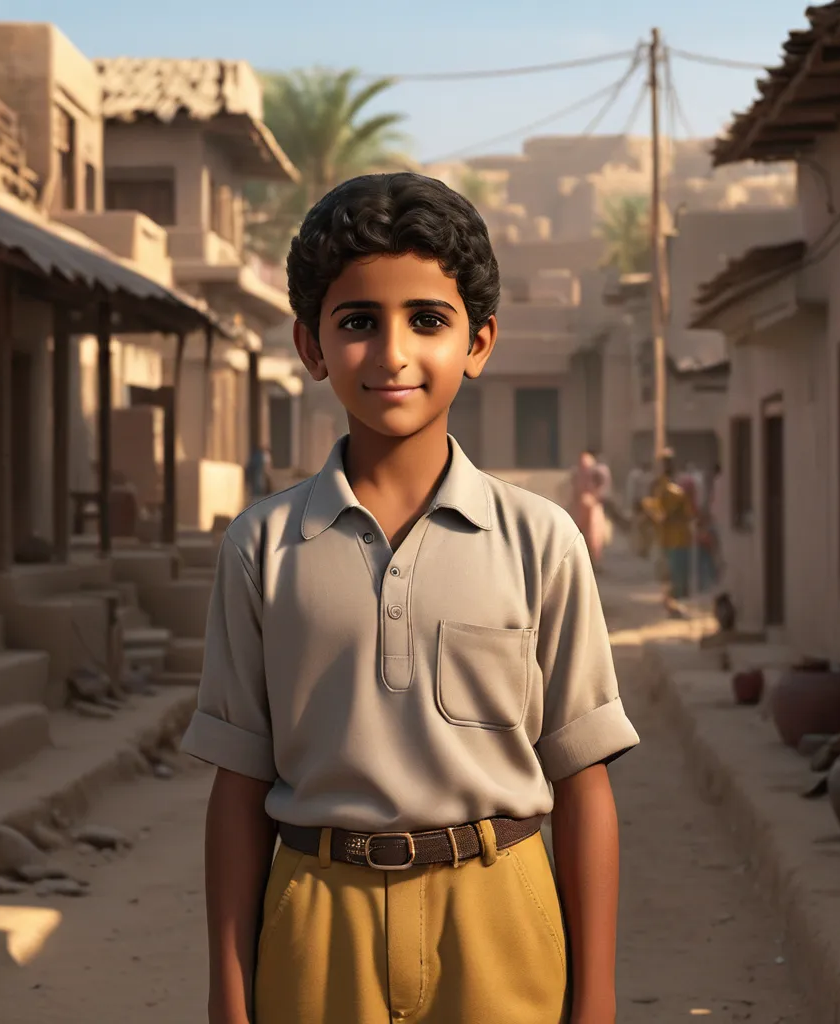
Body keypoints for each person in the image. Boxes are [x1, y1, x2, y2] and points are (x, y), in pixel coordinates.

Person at [181, 172, 639, 1024]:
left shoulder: (542, 542)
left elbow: (583, 786)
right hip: (317, 918)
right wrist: (229, 994)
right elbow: (238, 787)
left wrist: (598, 1001)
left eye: (428, 320)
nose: (392, 353)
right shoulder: (262, 547)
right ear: (312, 347)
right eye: (357, 322)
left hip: (501, 911)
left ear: (479, 341)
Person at [642, 449, 695, 616]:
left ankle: (673, 606)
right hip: (673, 538)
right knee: (672, 576)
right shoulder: (667, 488)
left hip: (674, 538)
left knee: (673, 576)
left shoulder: (669, 489)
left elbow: (664, 514)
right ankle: (672, 606)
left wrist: (651, 510)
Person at [570, 450, 609, 568]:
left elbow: (602, 491)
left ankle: (595, 562)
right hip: (580, 509)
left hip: (592, 508)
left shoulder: (596, 476)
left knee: (594, 537)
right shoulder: (577, 478)